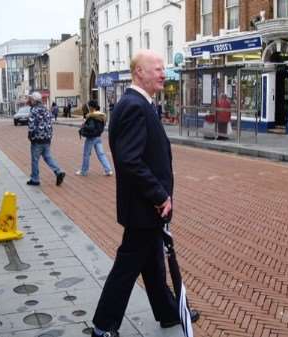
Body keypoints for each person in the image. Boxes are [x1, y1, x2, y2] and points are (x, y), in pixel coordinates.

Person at [91, 50, 199, 337]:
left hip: (146, 207)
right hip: (144, 206)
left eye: (163, 69)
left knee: (152, 264)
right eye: (157, 69)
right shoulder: (135, 106)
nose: (163, 73)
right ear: (139, 71)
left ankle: (167, 312)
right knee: (127, 266)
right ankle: (103, 326)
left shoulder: (140, 103)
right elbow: (130, 160)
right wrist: (159, 195)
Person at [26, 92, 65, 186]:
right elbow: (50, 123)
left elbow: (31, 126)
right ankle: (58, 171)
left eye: (31, 99)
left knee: (35, 160)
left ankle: (35, 179)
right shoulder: (46, 110)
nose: (29, 101)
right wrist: (49, 136)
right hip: (47, 139)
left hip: (37, 139)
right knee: (47, 157)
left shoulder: (33, 110)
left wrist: (30, 136)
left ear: (34, 100)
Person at [75, 100, 113, 177]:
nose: (88, 108)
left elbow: (91, 127)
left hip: (91, 137)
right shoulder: (101, 115)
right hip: (98, 137)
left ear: (92, 107)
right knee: (101, 154)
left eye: (89, 106)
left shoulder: (92, 116)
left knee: (86, 154)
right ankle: (108, 170)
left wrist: (84, 126)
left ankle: (84, 171)